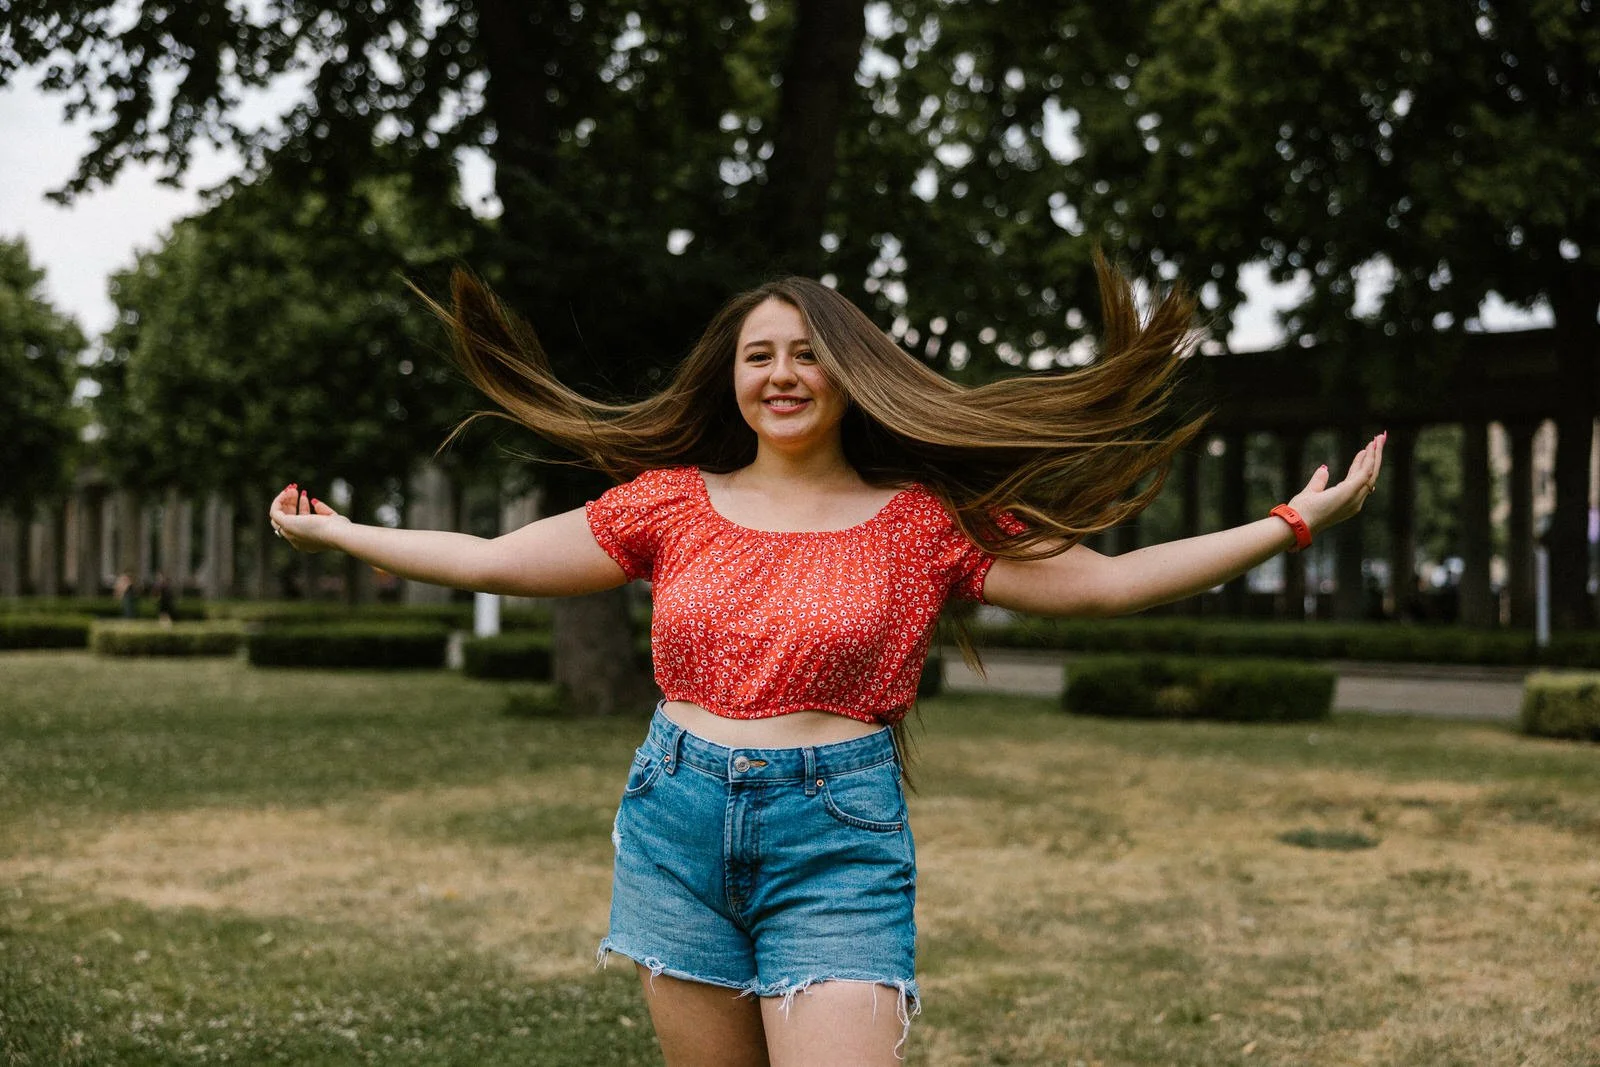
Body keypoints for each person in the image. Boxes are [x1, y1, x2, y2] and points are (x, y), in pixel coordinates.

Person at [269, 257, 1384, 1065]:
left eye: (808, 354)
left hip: (837, 839)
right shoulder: (667, 504)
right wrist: (340, 531)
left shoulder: (921, 518)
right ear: (732, 379)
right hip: (676, 822)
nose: (782, 372)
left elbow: (1101, 580)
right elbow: (490, 557)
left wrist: (1290, 522)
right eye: (760, 355)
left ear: (851, 374)